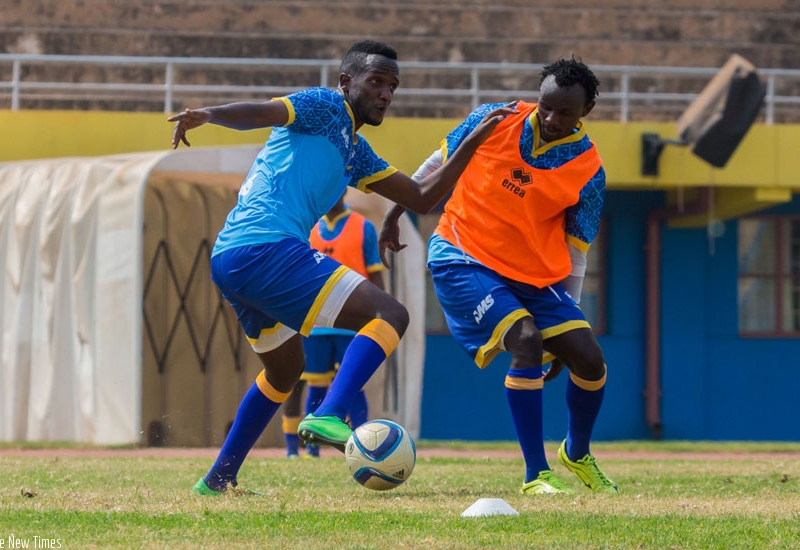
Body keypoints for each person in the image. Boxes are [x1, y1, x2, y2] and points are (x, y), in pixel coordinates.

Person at [168, 39, 517, 495]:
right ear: (346, 82)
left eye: (393, 86)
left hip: (233, 257)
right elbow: (261, 112)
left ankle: (218, 479)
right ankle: (330, 412)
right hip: (265, 248)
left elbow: (422, 197)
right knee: (391, 314)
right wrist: (210, 113)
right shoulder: (325, 105)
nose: (386, 94)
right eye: (376, 82)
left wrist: (471, 144)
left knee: (283, 371)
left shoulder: (356, 150)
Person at [379, 58, 618, 495]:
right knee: (525, 341)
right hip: (463, 253)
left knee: (589, 357)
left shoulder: (589, 170)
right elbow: (438, 160)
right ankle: (536, 476)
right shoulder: (495, 119)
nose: (550, 118)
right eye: (546, 106)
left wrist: (570, 321)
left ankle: (577, 452)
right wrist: (395, 212)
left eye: (564, 112)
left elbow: (576, 253)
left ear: (586, 111)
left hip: (533, 273)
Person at [282, 194, 385, 458]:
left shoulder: (363, 227)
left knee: (354, 385)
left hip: (351, 323)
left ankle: (363, 447)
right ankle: (306, 451)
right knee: (315, 384)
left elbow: (375, 275)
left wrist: (380, 316)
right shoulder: (309, 228)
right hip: (316, 323)